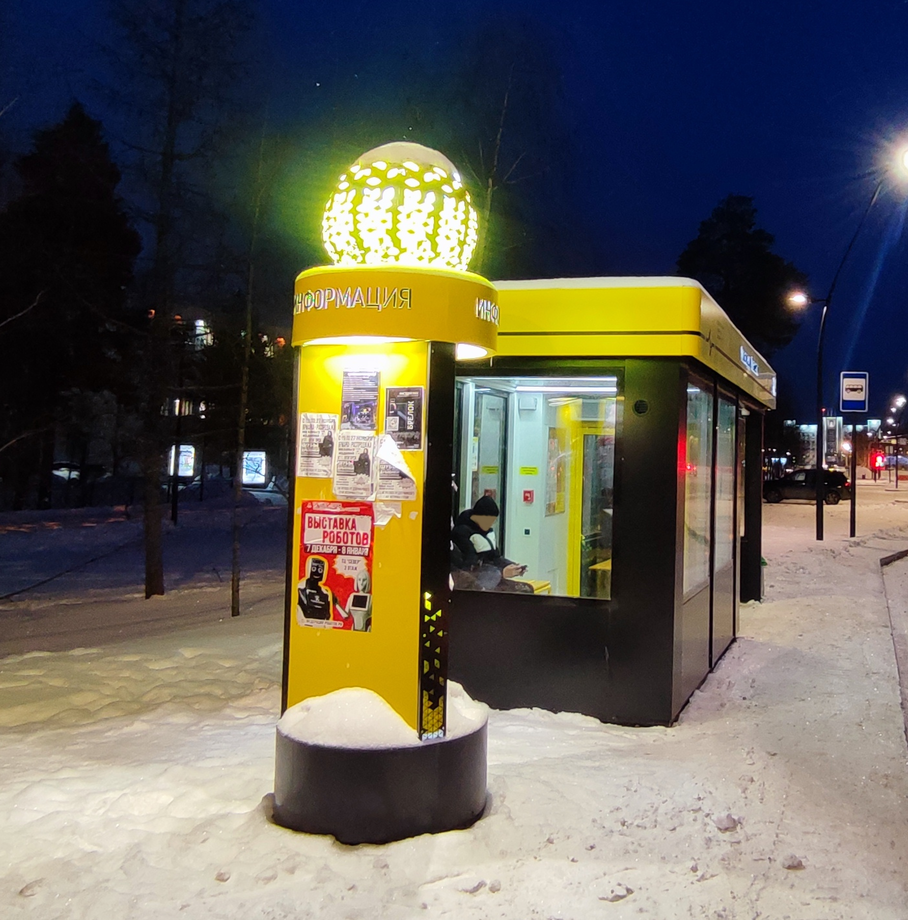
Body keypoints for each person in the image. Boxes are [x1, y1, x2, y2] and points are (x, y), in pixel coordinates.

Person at [451, 495, 532, 593]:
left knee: (526, 589)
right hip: (474, 580)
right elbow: (469, 565)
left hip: (491, 575)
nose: (491, 524)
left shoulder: (487, 533)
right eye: (490, 520)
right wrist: (502, 572)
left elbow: (495, 557)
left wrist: (510, 565)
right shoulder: (461, 532)